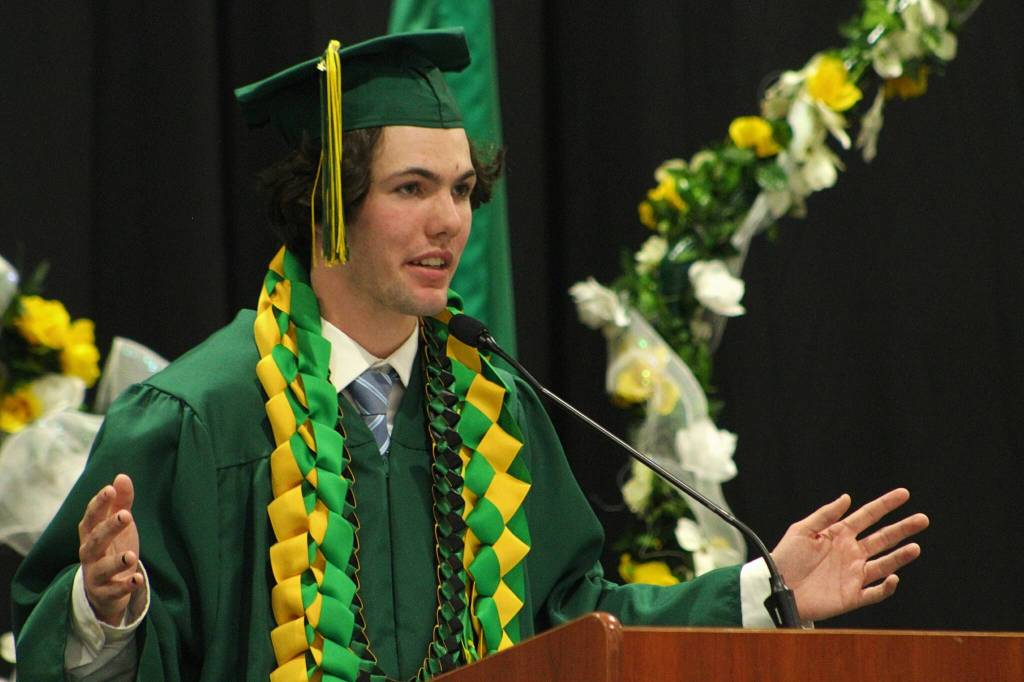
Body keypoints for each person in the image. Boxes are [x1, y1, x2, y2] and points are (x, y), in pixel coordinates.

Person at [11, 28, 929, 682]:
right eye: (412, 188)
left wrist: (765, 592)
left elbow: (571, 623)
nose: (450, 221)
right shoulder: (199, 417)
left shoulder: (495, 404)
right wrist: (102, 610)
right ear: (327, 205)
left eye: (461, 189)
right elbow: (86, 655)